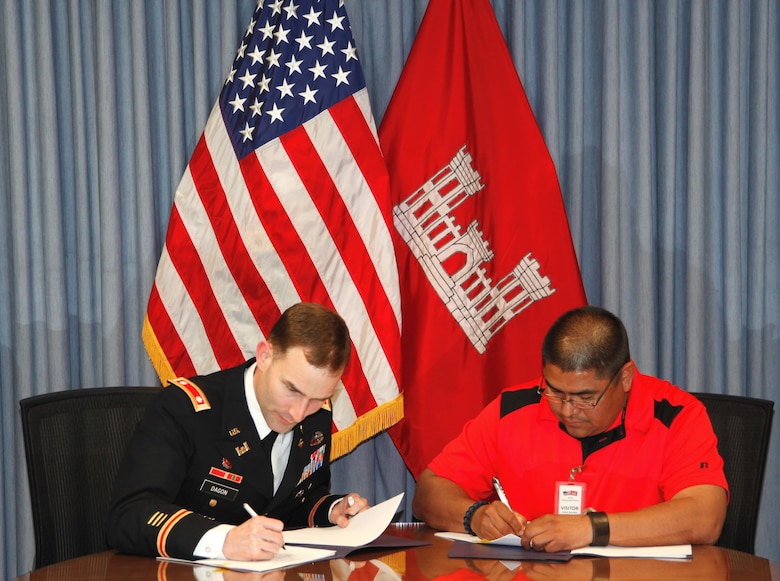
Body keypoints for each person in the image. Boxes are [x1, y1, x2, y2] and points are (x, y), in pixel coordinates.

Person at [412, 306, 728, 552]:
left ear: (626, 377)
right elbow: (430, 491)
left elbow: (705, 518)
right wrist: (474, 516)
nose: (566, 410)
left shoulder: (676, 416)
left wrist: (591, 529)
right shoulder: (514, 408)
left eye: (585, 397)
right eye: (555, 391)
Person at [106, 302, 368, 561]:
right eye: (292, 390)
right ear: (265, 355)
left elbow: (295, 502)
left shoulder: (317, 415)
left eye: (316, 398)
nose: (298, 413)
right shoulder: (184, 409)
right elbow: (128, 516)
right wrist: (224, 541)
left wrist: (333, 510)